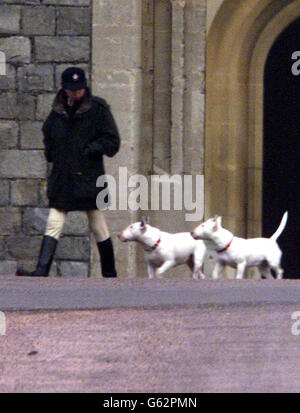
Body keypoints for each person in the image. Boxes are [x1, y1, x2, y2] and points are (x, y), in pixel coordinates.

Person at [16, 67, 120, 277]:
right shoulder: (57, 112)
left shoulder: (98, 109)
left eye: (79, 89)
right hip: (63, 176)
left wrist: (91, 150)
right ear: (64, 89)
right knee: (55, 220)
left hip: (89, 176)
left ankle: (110, 273)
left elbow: (112, 141)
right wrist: (52, 154)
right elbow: (49, 135)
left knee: (97, 224)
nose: (76, 93)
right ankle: (42, 269)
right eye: (72, 90)